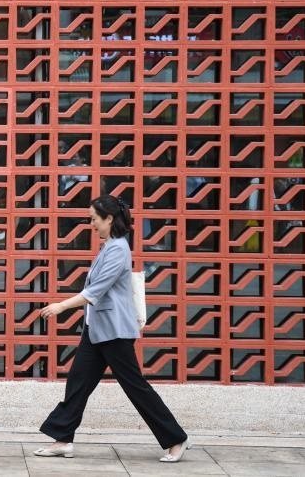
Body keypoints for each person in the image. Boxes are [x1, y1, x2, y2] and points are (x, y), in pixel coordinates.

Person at [34, 194, 190, 463]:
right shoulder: (109, 246)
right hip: (97, 329)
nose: (91, 224)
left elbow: (95, 290)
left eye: (94, 219)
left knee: (135, 387)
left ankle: (176, 439)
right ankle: (62, 439)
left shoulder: (118, 249)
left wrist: (61, 306)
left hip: (115, 332)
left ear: (108, 219)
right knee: (78, 383)